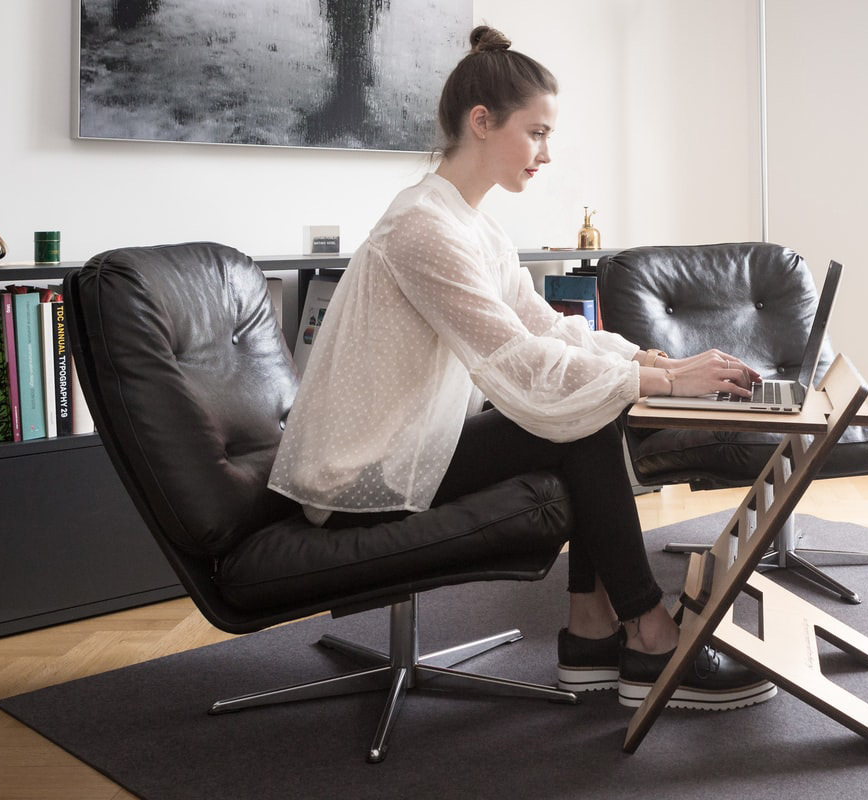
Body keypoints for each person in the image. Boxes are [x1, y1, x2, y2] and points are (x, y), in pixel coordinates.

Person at [268, 25, 775, 711]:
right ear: (482, 122)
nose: (546, 154)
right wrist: (656, 382)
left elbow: (543, 326)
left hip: (412, 448)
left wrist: (648, 360)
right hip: (362, 472)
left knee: (590, 410)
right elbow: (515, 357)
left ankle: (595, 636)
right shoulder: (422, 226)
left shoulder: (471, 224)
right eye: (535, 134)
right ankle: (646, 637)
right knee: (587, 420)